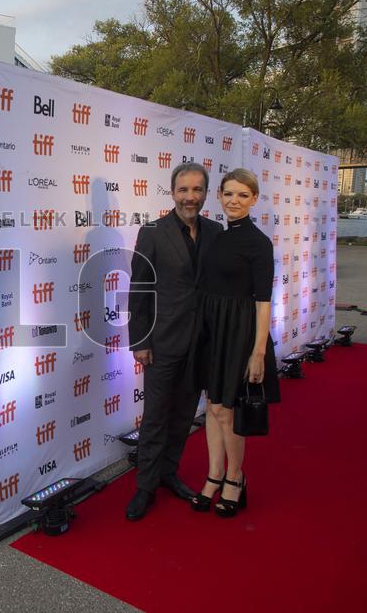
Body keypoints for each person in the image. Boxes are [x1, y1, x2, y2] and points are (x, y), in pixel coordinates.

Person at [125, 162, 223, 521]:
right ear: (173, 192)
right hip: (162, 342)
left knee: (184, 416)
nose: (190, 197)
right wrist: (140, 341)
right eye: (184, 190)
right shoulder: (152, 232)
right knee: (155, 419)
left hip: (201, 344)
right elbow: (139, 290)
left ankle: (168, 472)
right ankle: (145, 487)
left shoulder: (215, 231)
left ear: (205, 193)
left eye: (197, 190)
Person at [190, 168, 280, 518]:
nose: (234, 201)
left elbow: (263, 301)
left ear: (254, 199)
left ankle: (235, 477)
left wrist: (258, 352)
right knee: (212, 405)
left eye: (243, 195)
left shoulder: (259, 243)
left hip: (240, 332)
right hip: (214, 329)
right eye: (228, 194)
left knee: (227, 411)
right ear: (220, 197)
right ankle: (213, 474)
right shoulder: (217, 236)